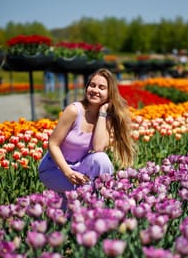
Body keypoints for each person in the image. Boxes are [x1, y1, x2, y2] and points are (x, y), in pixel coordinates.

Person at [38, 68, 135, 200]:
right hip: (56, 169)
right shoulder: (73, 111)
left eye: (101, 87)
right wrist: (68, 172)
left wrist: (102, 112)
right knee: (89, 190)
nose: (95, 90)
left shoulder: (107, 118)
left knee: (102, 159)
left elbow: (98, 148)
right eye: (92, 85)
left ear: (109, 93)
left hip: (80, 168)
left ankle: (96, 208)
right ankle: (97, 205)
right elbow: (53, 144)